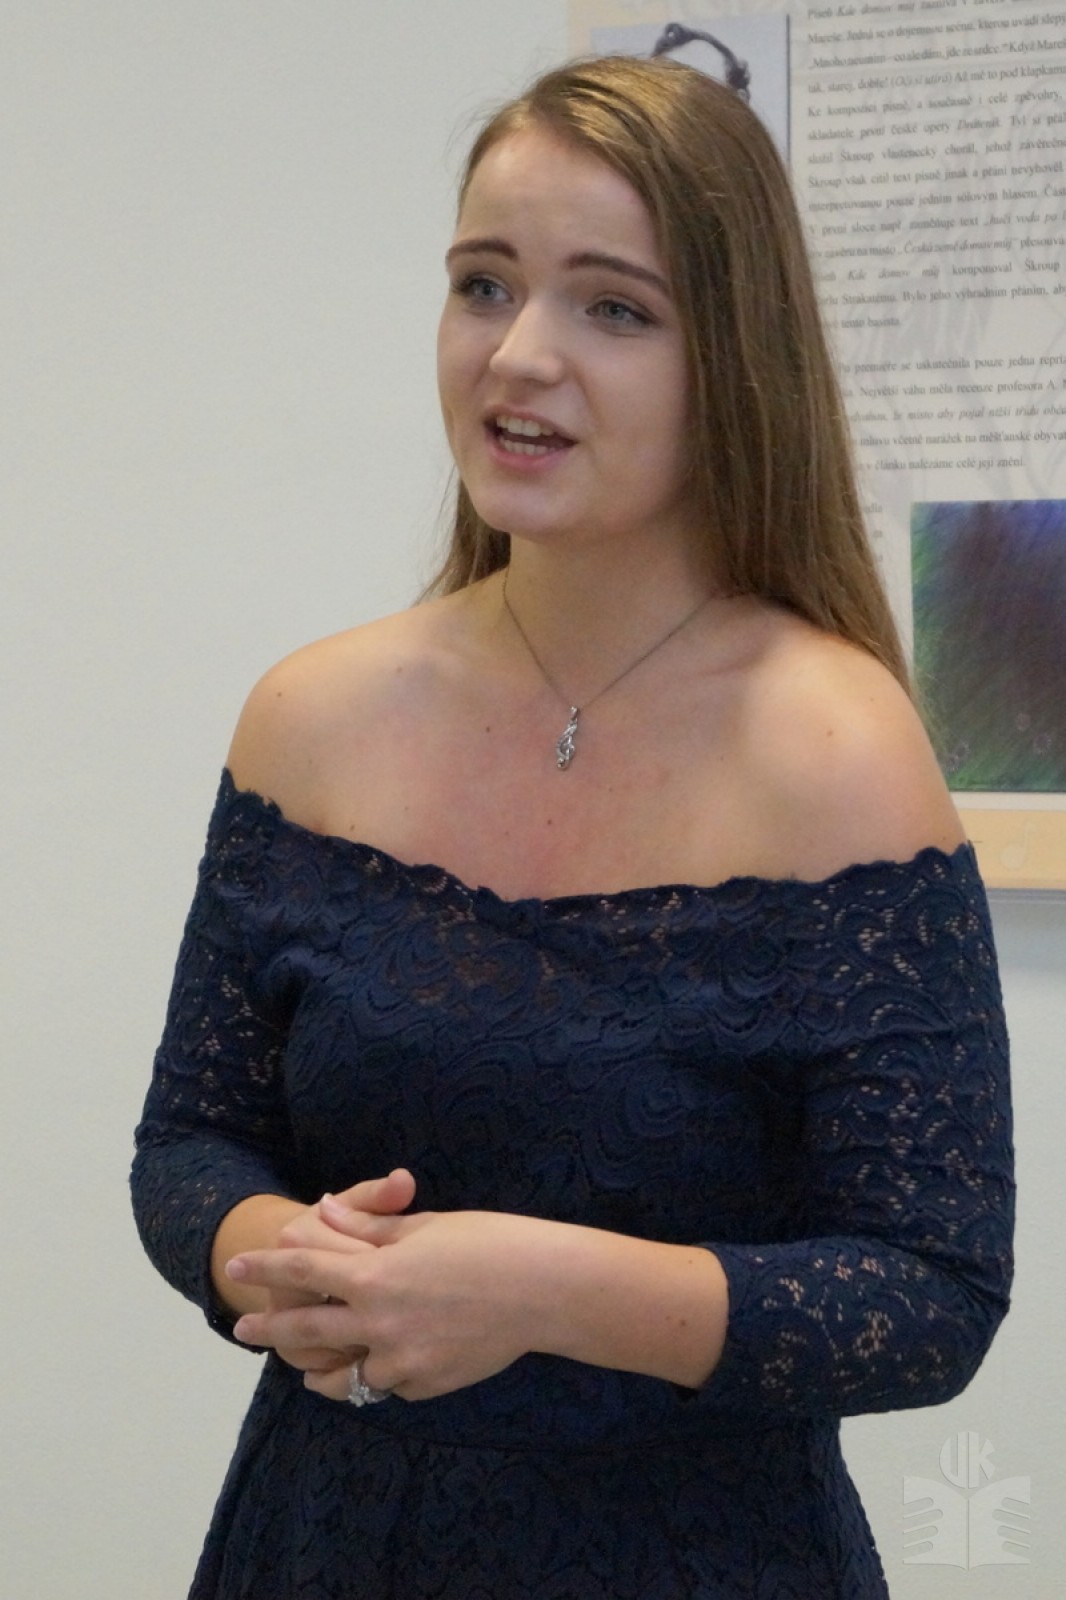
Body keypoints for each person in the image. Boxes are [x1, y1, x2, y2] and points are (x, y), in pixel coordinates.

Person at [132, 53, 1015, 1599]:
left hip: (697, 1556)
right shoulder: (309, 715)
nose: (518, 355)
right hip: (326, 1538)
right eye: (483, 285)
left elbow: (926, 1294)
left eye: (612, 307)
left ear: (730, 358)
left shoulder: (833, 748)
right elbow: (188, 1144)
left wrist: (541, 1290)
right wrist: (280, 1252)